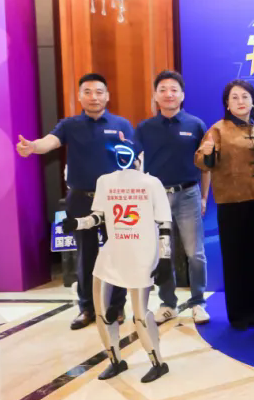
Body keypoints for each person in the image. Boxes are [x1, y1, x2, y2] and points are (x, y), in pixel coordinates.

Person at [16, 73, 133, 330]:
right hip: (81, 199)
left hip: (115, 199)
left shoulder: (121, 124)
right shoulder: (70, 125)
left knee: (118, 253)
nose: (94, 97)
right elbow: (49, 142)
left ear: (107, 96)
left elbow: (134, 157)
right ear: (80, 96)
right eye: (87, 92)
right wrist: (33, 146)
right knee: (86, 255)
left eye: (99, 92)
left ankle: (117, 306)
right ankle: (87, 307)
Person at [61, 136, 174, 383]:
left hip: (142, 253)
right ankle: (115, 360)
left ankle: (157, 362)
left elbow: (164, 223)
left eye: (127, 151)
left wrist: (165, 257)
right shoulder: (105, 181)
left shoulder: (151, 183)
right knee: (102, 312)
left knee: (140, 315)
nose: (123, 155)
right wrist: (78, 223)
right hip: (113, 251)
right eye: (118, 151)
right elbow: (99, 216)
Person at [134, 70, 211, 325]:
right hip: (156, 198)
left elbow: (206, 165)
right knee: (162, 253)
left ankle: (198, 302)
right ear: (155, 96)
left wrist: (203, 197)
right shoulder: (144, 128)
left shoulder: (195, 125)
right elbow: (133, 163)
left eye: (174, 90)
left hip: (188, 194)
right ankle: (168, 304)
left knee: (195, 253)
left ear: (182, 95)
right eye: (163, 90)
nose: (169, 94)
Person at [195, 80, 254, 329]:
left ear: (253, 101)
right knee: (234, 257)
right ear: (227, 104)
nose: (240, 101)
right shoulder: (217, 129)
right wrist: (207, 153)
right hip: (231, 202)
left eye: (245, 96)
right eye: (235, 97)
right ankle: (238, 314)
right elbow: (202, 162)